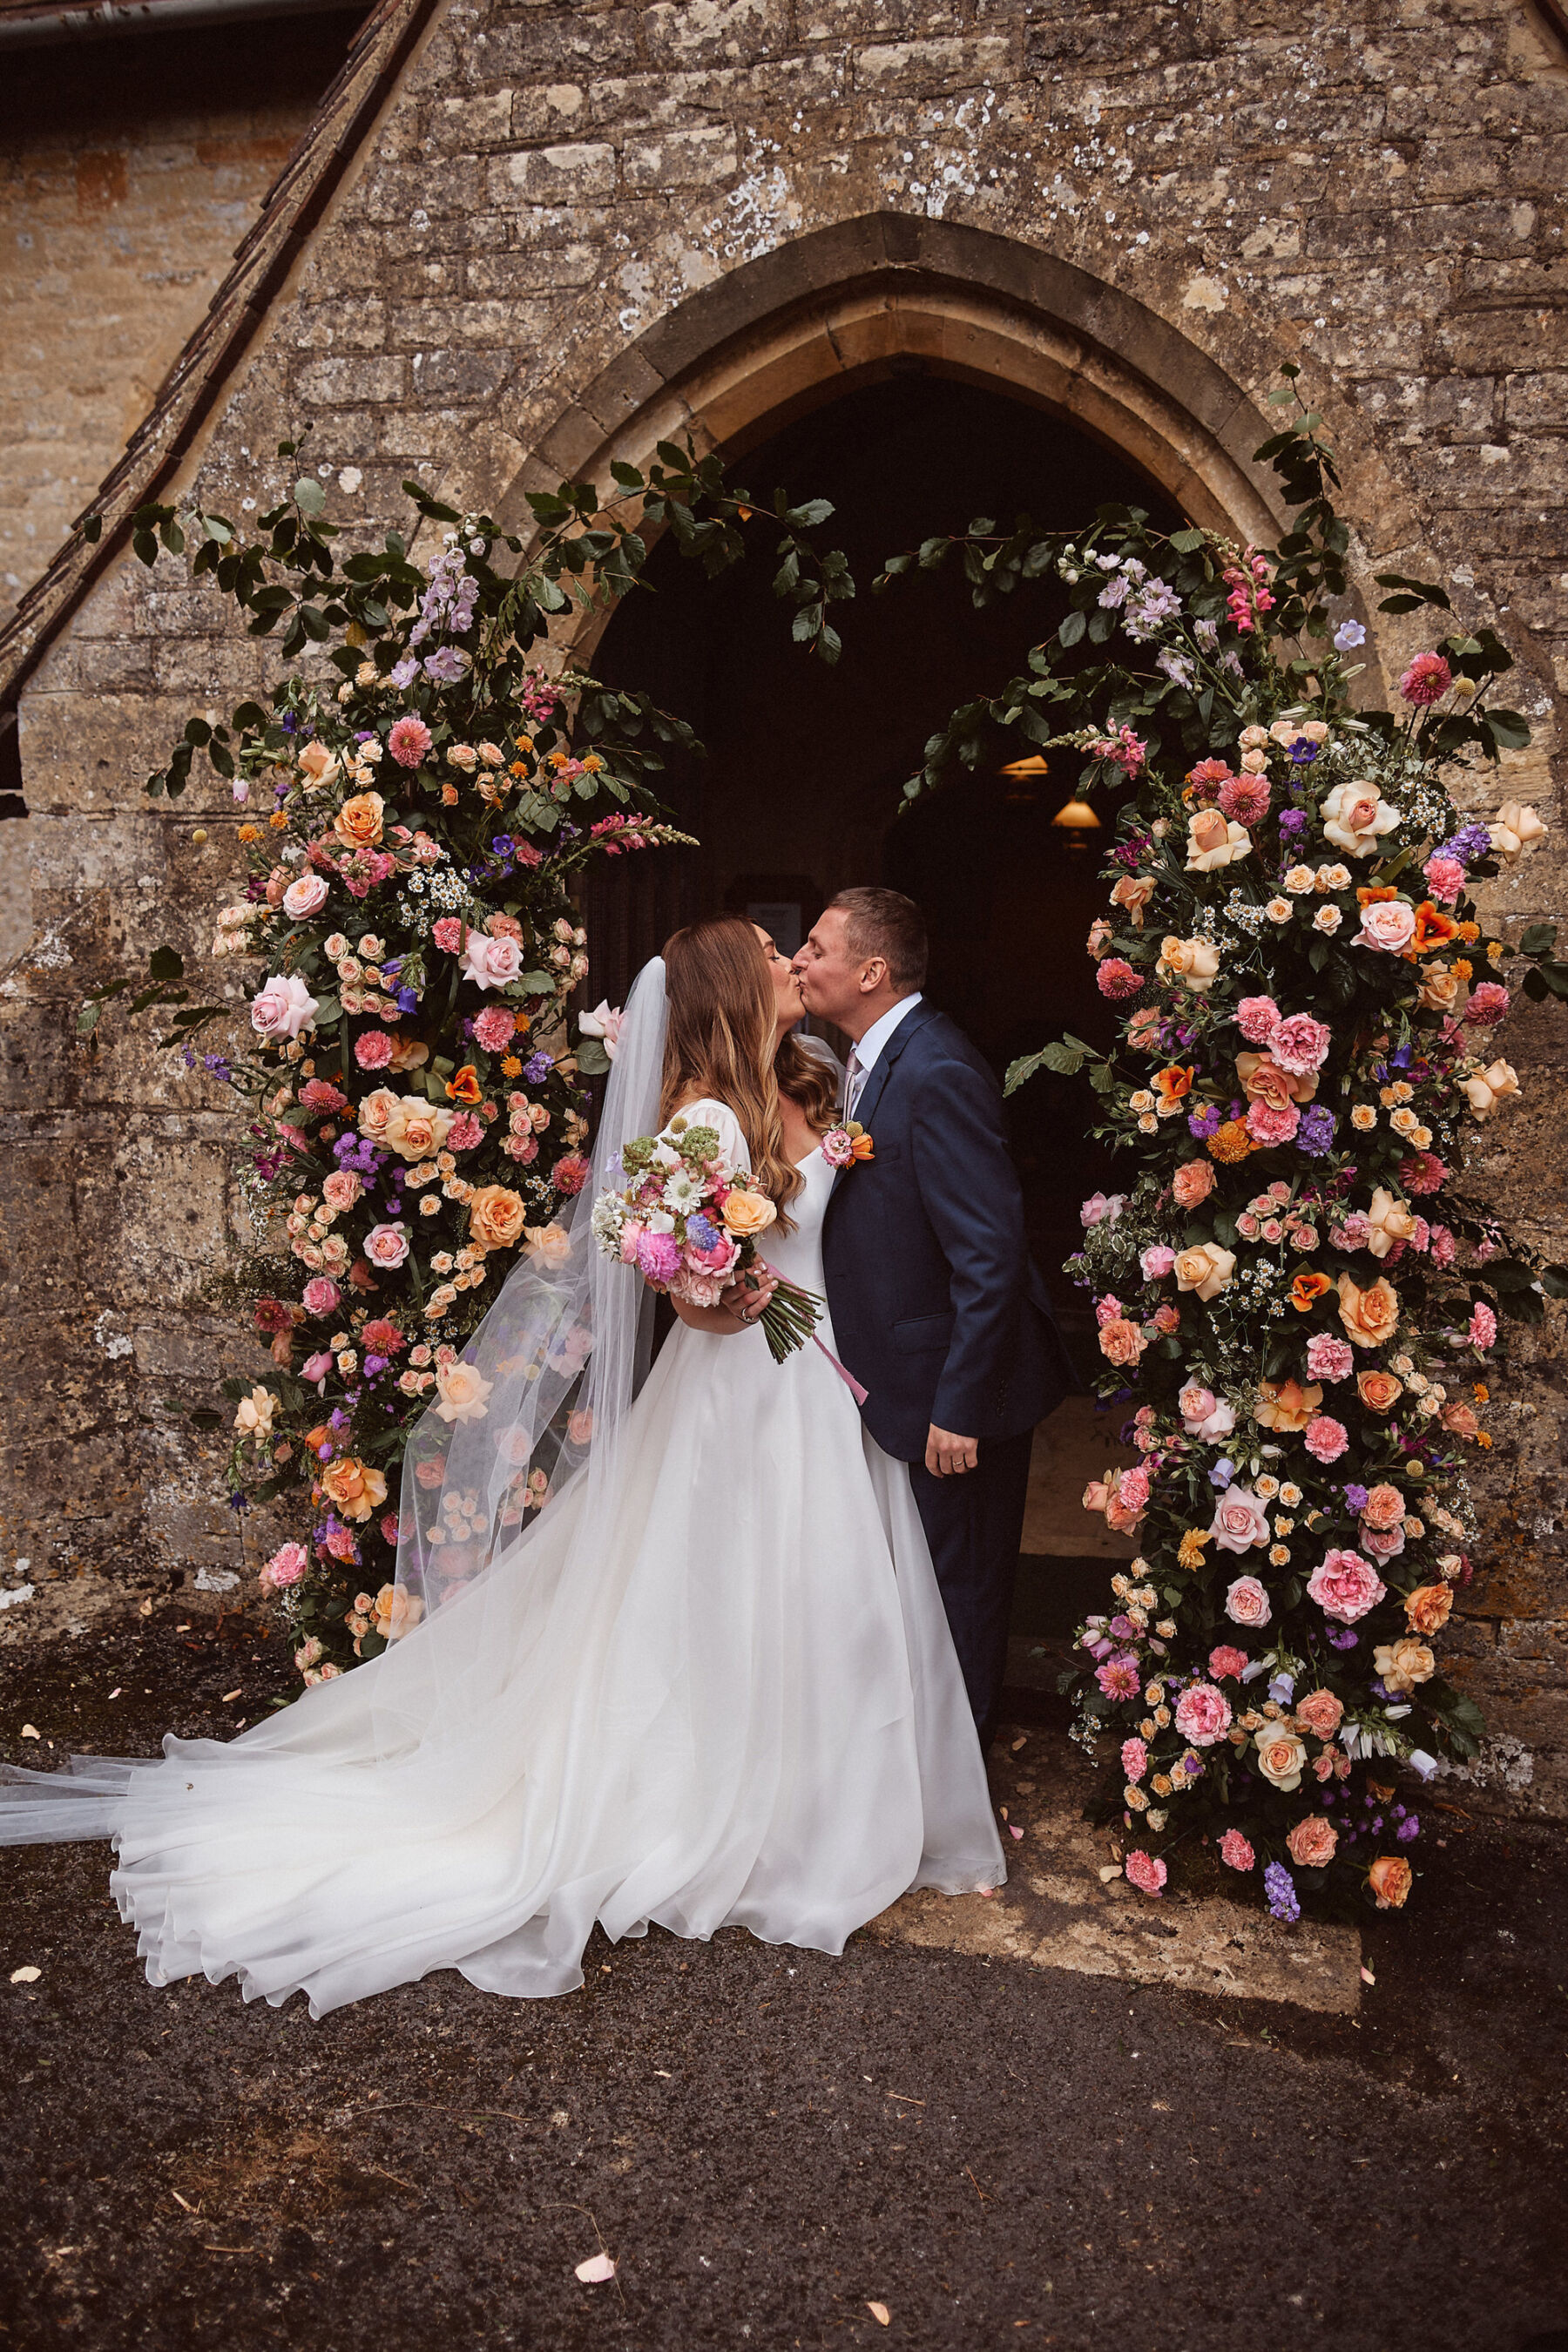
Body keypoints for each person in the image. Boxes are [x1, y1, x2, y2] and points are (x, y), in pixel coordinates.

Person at [0, 915, 1003, 2017]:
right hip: (746, 1391)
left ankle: (829, 1804)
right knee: (740, 1594)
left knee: (829, 1599)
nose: (787, 959)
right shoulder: (706, 1124)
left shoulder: (814, 1085)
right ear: (732, 985)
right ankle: (739, 1814)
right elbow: (686, 1297)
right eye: (770, 950)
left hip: (819, 1381)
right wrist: (729, 1298)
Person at [794, 889, 1075, 1750]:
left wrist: (960, 1405)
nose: (799, 960)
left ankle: (955, 1781)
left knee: (962, 1586)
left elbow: (989, 1256)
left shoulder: (937, 1067)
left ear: (870, 971)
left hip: (960, 1392)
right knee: (913, 1579)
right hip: (894, 1377)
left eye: (815, 947)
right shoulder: (859, 1061)